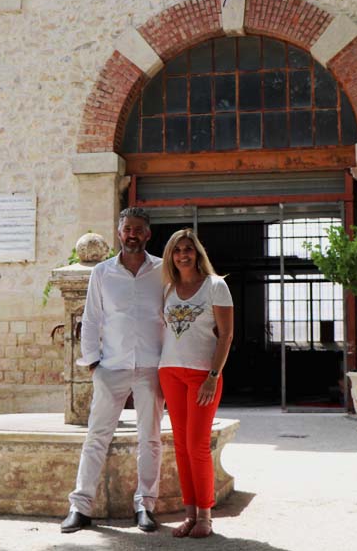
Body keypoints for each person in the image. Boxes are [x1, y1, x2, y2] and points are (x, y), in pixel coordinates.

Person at [62, 207, 165, 534]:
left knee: (150, 439)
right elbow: (90, 320)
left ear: (147, 234)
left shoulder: (163, 271)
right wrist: (94, 363)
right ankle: (80, 507)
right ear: (119, 233)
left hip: (151, 367)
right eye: (126, 229)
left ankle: (145, 505)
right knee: (96, 437)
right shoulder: (102, 273)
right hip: (112, 366)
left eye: (138, 229)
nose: (132, 234)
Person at [158, 228, 234, 539]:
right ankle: (189, 515)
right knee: (180, 446)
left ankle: (206, 516)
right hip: (170, 372)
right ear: (171, 257)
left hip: (203, 375)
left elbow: (226, 335)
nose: (183, 255)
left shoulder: (216, 286)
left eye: (188, 249)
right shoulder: (167, 289)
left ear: (197, 252)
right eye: (177, 250)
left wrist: (212, 377)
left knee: (197, 446)